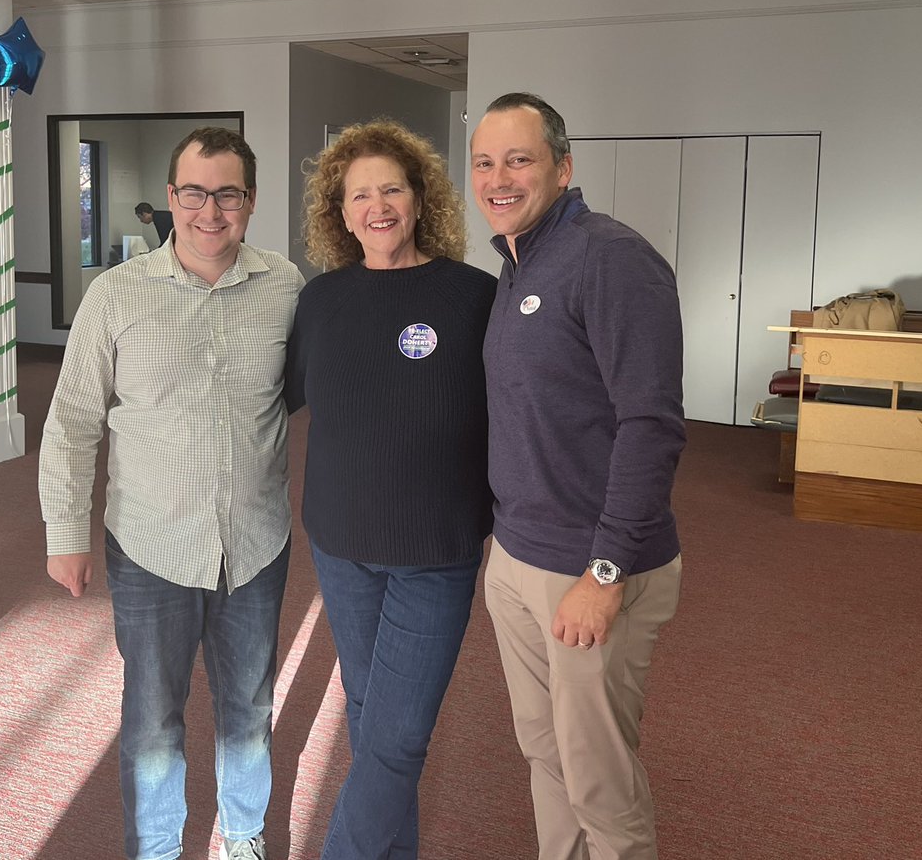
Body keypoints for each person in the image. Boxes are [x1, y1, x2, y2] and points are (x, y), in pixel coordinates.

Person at [40, 127, 304, 860]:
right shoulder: (114, 294)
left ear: (251, 201)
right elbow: (72, 421)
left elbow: (311, 394)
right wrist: (66, 534)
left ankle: (243, 836)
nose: (209, 211)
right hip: (150, 543)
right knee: (153, 717)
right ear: (170, 197)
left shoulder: (285, 287)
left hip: (255, 541)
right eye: (194, 193)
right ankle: (157, 848)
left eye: (228, 195)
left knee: (248, 707)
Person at [471, 92, 685, 860]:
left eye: (518, 159)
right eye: (484, 162)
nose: (498, 178)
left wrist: (605, 570)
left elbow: (651, 423)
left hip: (590, 568)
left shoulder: (610, 258)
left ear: (563, 167)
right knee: (546, 755)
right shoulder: (517, 263)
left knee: (599, 780)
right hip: (518, 556)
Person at [286, 120, 496, 860]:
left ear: (420, 199)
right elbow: (280, 398)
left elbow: (516, 412)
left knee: (397, 736)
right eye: (359, 196)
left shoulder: (474, 297)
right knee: (371, 717)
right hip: (342, 544)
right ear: (340, 215)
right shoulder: (319, 301)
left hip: (434, 549)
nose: (377, 207)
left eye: (392, 190)